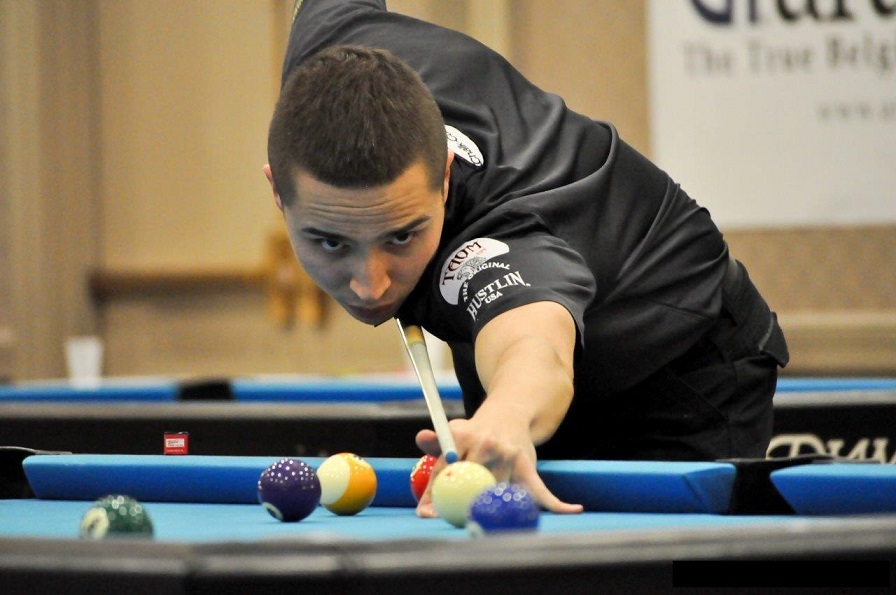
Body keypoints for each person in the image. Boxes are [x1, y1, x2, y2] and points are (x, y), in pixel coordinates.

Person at [263, 0, 789, 517]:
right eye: (331, 242)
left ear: (444, 177)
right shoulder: (328, 41)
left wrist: (507, 415)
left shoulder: (501, 238)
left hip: (674, 363)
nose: (371, 285)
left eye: (401, 237)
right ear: (277, 192)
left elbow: (534, 344)